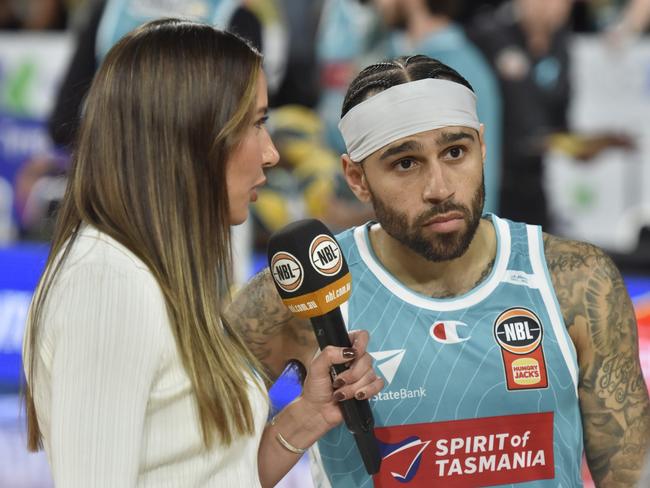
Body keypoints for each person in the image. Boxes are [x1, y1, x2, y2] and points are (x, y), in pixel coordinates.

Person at [225, 54, 650, 487]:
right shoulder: (301, 291)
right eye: (405, 163)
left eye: (455, 152)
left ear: (482, 148)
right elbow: (198, 472)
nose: (440, 188)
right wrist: (299, 422)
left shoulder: (575, 281)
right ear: (356, 178)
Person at [21, 19, 383, 487]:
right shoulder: (106, 283)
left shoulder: (158, 271)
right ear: (188, 136)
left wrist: (308, 416)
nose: (271, 154)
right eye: (254, 124)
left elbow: (207, 475)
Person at [316, 0, 503, 215]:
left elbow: (456, 194)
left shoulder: (454, 67)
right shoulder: (394, 54)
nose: (375, 4)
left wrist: (349, 216)